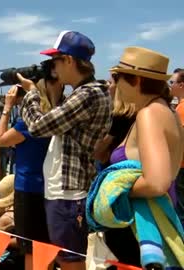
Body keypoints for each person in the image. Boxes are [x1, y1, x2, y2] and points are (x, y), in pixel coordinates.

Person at [18, 31, 112, 270]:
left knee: (69, 260)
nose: (53, 68)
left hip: (69, 193)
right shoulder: (88, 92)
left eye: (56, 61)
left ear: (69, 60)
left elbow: (39, 127)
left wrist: (31, 94)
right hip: (67, 191)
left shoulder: (88, 94)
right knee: (65, 256)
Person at [102, 47, 184, 266]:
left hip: (140, 232)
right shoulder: (166, 111)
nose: (115, 83)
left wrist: (111, 189)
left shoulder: (149, 114)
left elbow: (157, 182)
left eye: (118, 77)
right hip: (150, 225)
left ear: (136, 80)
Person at [0, 79, 63, 270]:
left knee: (31, 247)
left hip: (28, 188)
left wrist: (7, 108)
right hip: (51, 186)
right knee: (46, 244)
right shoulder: (55, 117)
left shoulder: (27, 123)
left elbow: (0, 139)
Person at [170, 68, 184, 227]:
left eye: (172, 82)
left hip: (181, 165)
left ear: (181, 85)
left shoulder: (181, 109)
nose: (170, 85)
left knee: (180, 211)